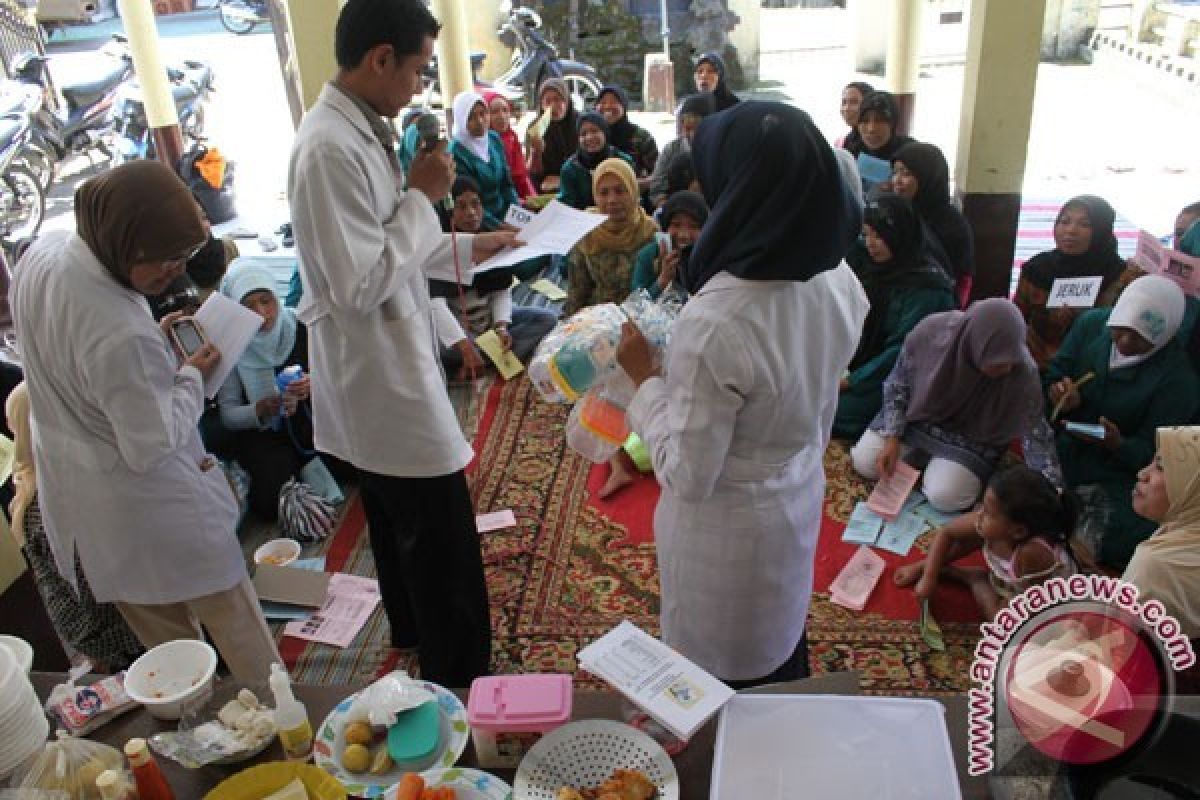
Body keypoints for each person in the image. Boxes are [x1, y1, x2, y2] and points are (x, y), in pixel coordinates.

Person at [286, 0, 516, 685]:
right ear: (380, 57)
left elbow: (393, 246)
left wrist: (476, 244)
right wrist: (422, 196)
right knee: (437, 532)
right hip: (377, 373)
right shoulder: (329, 147)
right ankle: (458, 677)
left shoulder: (363, 130)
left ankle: (415, 633)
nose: (420, 84)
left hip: (386, 363)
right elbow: (362, 280)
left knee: (400, 524)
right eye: (416, 68)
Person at [615, 102, 867, 687]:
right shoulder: (835, 277)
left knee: (723, 674)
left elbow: (689, 473)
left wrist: (644, 382)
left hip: (726, 535)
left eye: (714, 176)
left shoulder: (719, 320)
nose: (705, 189)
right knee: (778, 638)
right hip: (796, 491)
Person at [10, 161, 281, 685]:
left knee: (174, 664)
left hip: (97, 512)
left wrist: (152, 347)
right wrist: (190, 378)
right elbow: (149, 442)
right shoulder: (118, 332)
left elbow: (79, 363)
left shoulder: (46, 254)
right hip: (156, 509)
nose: (175, 273)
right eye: (165, 260)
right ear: (126, 244)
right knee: (243, 637)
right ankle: (283, 728)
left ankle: (208, 745)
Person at [851, 299, 1061, 513]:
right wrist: (893, 437)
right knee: (865, 462)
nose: (1007, 369)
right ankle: (920, 460)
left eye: (1010, 361)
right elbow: (898, 384)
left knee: (945, 497)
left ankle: (926, 465)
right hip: (918, 421)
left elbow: (1035, 431)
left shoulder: (1023, 371)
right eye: (997, 362)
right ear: (975, 344)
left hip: (971, 439)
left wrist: (1051, 490)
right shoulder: (930, 333)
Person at [1046, 275, 1197, 569]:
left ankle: (1057, 517)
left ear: (1163, 339)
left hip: (1117, 475)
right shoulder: (1091, 325)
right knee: (1017, 489)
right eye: (1120, 331)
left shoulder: (1179, 381)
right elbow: (1057, 371)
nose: (1125, 342)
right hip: (1066, 445)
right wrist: (1061, 395)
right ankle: (1059, 516)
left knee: (1140, 534)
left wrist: (1118, 444)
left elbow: (1162, 458)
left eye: (1139, 338)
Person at [6, 382, 143, 672]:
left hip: (103, 624)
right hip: (110, 637)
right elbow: (92, 594)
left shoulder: (31, 483)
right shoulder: (51, 504)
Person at [834, 194, 956, 440]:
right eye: (867, 234)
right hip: (866, 363)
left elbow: (903, 352)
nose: (871, 244)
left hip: (903, 377)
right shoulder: (876, 268)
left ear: (899, 234)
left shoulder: (927, 288)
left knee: (830, 409)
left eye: (879, 236)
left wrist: (853, 381)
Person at [214, 260, 323, 522]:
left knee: (354, 465)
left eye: (266, 300)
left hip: (310, 422)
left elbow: (334, 380)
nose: (262, 314)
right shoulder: (231, 345)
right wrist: (258, 410)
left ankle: (305, 472)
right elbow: (228, 416)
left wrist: (313, 384)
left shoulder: (299, 325)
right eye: (248, 307)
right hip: (264, 435)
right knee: (270, 500)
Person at [894, 465, 1079, 620]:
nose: (980, 514)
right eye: (983, 506)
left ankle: (975, 579)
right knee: (976, 531)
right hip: (1014, 577)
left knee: (1001, 623)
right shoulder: (995, 525)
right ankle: (973, 576)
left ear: (1018, 531)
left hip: (1039, 592)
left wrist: (1001, 606)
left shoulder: (1033, 554)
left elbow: (1030, 599)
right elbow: (947, 532)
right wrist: (927, 573)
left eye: (989, 512)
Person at [432, 176, 557, 374]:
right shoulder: (440, 249)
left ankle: (485, 359)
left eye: (476, 204)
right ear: (448, 212)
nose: (471, 213)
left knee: (547, 319)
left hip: (490, 324)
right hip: (462, 332)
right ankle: (491, 358)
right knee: (434, 345)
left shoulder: (493, 238)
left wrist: (501, 327)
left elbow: (501, 290)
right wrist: (463, 344)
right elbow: (435, 305)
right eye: (461, 207)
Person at [1014, 195, 1129, 370]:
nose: (1070, 231)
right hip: (1035, 365)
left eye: (1085, 224)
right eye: (1064, 221)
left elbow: (1123, 336)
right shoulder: (1037, 269)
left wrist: (1083, 321)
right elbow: (1018, 319)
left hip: (1091, 371)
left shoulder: (1119, 276)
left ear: (1102, 229)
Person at [1124, 426, 1200, 640]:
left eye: (1161, 467)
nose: (1142, 474)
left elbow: (1116, 645)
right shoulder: (1182, 538)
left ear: (1192, 489)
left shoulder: (1156, 566)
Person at [564, 157, 658, 317]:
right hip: (598, 319)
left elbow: (659, 290)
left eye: (620, 191)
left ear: (633, 191)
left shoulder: (650, 232)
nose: (612, 200)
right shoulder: (586, 231)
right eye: (603, 193)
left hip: (642, 317)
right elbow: (577, 292)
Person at [890, 141, 975, 305]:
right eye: (895, 173)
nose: (897, 181)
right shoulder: (899, 213)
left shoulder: (952, 225)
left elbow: (963, 281)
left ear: (928, 176)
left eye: (906, 174)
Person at [449, 91, 518, 231]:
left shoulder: (493, 139)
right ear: (461, 119)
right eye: (471, 117)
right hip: (478, 223)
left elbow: (507, 184)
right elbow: (469, 204)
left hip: (505, 214)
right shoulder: (456, 152)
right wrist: (501, 227)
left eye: (483, 114)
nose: (480, 121)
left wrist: (517, 215)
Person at [631, 190, 708, 300]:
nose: (683, 235)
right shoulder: (649, 256)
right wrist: (663, 280)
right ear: (665, 226)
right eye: (676, 225)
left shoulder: (709, 258)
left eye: (693, 226)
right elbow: (636, 303)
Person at [557, 112, 635, 211]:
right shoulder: (570, 169)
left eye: (595, 131)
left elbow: (633, 197)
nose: (589, 137)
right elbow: (566, 206)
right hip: (583, 222)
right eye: (583, 134)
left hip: (621, 218)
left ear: (605, 133)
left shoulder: (623, 161)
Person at [648, 94, 714, 208]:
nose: (691, 134)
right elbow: (657, 189)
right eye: (687, 128)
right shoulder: (671, 149)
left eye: (696, 128)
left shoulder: (719, 149)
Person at [594, 85, 658, 191]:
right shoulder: (590, 137)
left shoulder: (641, 136)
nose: (607, 106)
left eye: (614, 101)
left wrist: (632, 185)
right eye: (603, 102)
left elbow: (658, 174)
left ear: (624, 106)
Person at [526, 77, 580, 194]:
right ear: (541, 105)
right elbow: (533, 172)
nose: (553, 106)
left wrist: (563, 179)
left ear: (567, 101)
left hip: (577, 182)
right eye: (548, 101)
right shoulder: (536, 127)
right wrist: (536, 153)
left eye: (558, 99)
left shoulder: (581, 123)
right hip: (546, 187)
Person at [483, 90, 536, 199]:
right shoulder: (483, 144)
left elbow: (523, 176)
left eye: (505, 110)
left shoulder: (512, 137)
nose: (501, 116)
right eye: (494, 112)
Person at [845, 90, 914, 162]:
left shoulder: (910, 153)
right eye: (864, 120)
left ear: (892, 123)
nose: (871, 129)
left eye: (880, 120)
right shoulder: (851, 150)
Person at [836, 80, 874, 150]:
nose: (846, 108)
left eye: (854, 102)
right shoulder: (844, 141)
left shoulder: (875, 143)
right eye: (844, 102)